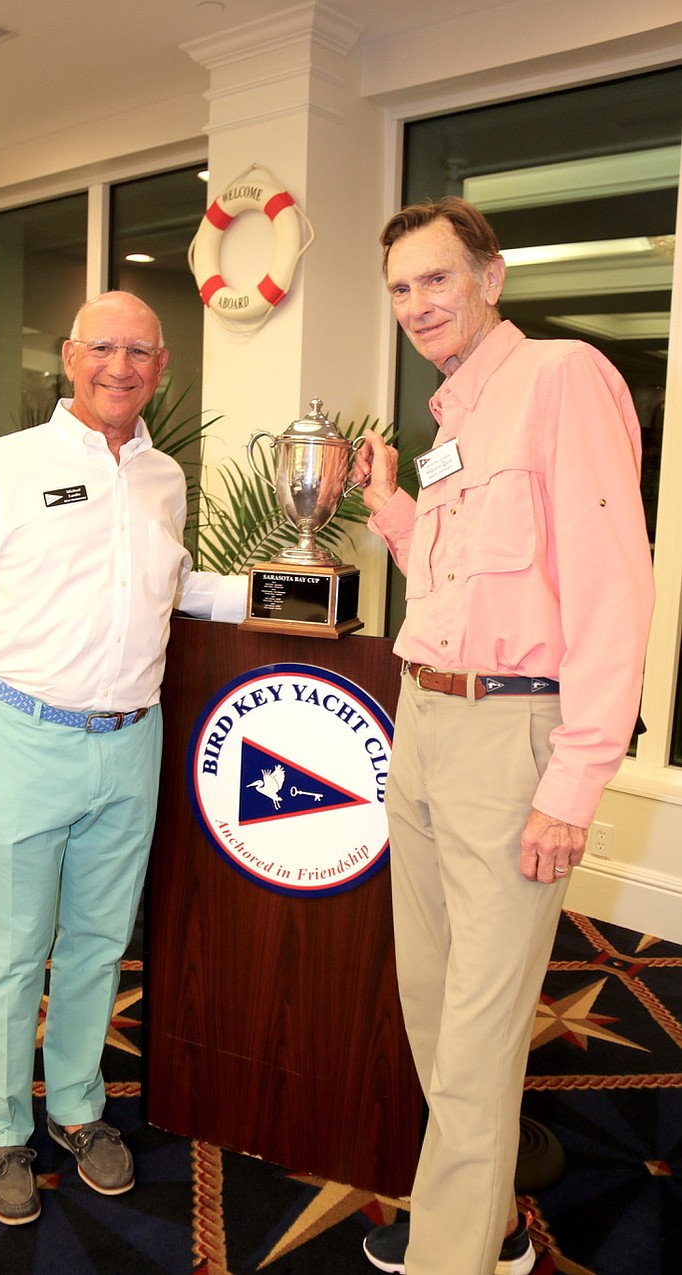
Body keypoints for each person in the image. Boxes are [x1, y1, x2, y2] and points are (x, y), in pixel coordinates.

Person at [0, 291, 245, 1225]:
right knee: (11, 951)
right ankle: (1, 1126)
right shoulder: (1, 467)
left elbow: (162, 580)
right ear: (68, 355)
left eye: (140, 351)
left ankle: (81, 1106)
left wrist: (271, 594)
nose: (120, 366)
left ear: (162, 366)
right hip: (16, 739)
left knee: (96, 943)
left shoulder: (166, 476)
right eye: (103, 347)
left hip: (129, 746)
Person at [352, 198, 654, 1275]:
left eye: (436, 278)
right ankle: (484, 1226)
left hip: (510, 737)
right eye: (399, 288)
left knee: (475, 1039)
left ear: (492, 277)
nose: (417, 304)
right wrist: (395, 512)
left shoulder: (559, 380)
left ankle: (452, 1259)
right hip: (425, 719)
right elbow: (454, 594)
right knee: (434, 1009)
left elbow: (614, 591)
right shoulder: (455, 422)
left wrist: (572, 784)